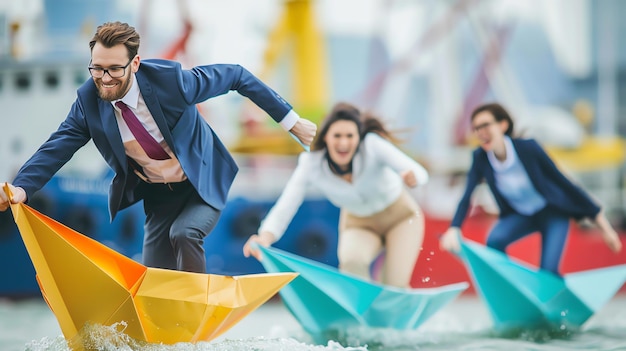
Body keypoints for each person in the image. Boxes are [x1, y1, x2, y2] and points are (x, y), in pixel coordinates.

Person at [0, 21, 316, 274]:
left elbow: (237, 75)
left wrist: (292, 122)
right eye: (97, 68)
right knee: (155, 275)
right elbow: (57, 146)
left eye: (114, 69)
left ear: (135, 63)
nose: (104, 79)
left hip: (200, 183)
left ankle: (196, 314)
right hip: (157, 194)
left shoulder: (172, 82)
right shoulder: (88, 102)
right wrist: (21, 188)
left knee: (185, 233)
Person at [243, 102, 429, 288]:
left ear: (359, 138)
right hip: (360, 223)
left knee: (395, 282)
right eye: (337, 136)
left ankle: (394, 296)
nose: (343, 143)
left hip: (401, 218)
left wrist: (414, 177)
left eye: (350, 136)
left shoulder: (372, 145)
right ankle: (361, 312)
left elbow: (418, 171)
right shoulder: (311, 163)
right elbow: (287, 203)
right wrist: (265, 237)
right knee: (351, 264)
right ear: (326, 138)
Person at [439, 103, 622, 275]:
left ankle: (556, 297)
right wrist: (454, 228)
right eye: (476, 128)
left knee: (548, 271)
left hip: (553, 214)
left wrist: (605, 228)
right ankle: (508, 282)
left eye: (485, 125)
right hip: (521, 216)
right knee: (494, 240)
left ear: (503, 125)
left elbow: (565, 184)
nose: (480, 132)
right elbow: (467, 195)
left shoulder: (529, 148)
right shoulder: (480, 158)